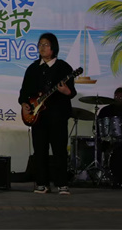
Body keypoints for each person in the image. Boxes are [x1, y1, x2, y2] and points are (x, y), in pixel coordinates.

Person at [19, 32, 77, 195]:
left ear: (53, 48)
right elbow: (24, 93)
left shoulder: (64, 68)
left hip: (57, 116)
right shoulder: (33, 68)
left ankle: (62, 184)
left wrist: (66, 91)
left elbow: (71, 92)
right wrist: (24, 104)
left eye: (45, 45)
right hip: (38, 117)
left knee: (59, 150)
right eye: (40, 45)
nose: (42, 48)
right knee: (40, 151)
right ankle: (42, 183)